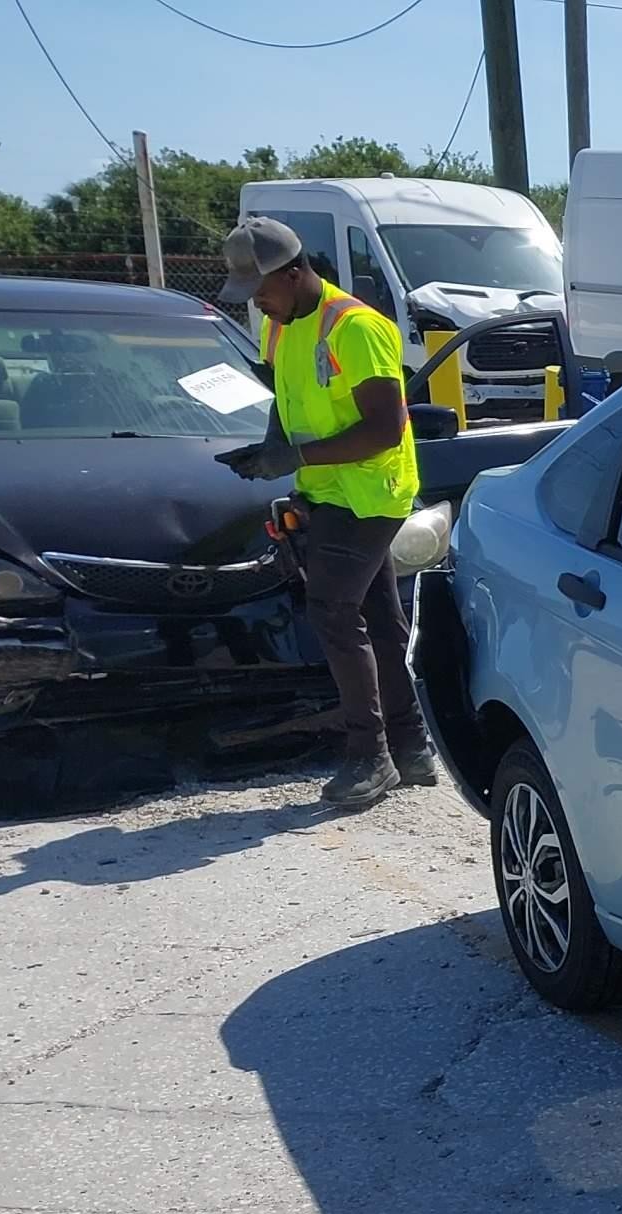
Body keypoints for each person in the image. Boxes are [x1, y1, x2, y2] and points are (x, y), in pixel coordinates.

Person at [213, 215, 436, 806]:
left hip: (370, 493)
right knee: (380, 620)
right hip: (328, 489)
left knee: (334, 611)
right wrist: (269, 448)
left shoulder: (356, 328)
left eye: (261, 290)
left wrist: (293, 455)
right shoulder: (281, 325)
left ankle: (371, 756)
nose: (257, 304)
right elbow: (285, 399)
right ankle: (411, 746)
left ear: (294, 272)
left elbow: (386, 430)